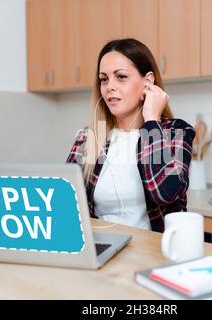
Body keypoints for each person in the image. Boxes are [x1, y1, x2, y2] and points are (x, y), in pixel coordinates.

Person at [66, 38, 195, 233]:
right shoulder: (91, 136)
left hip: (154, 251)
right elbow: (66, 202)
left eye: (121, 76)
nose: (109, 86)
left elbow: (164, 193)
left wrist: (151, 120)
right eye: (104, 79)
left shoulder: (175, 132)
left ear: (148, 82)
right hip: (102, 249)